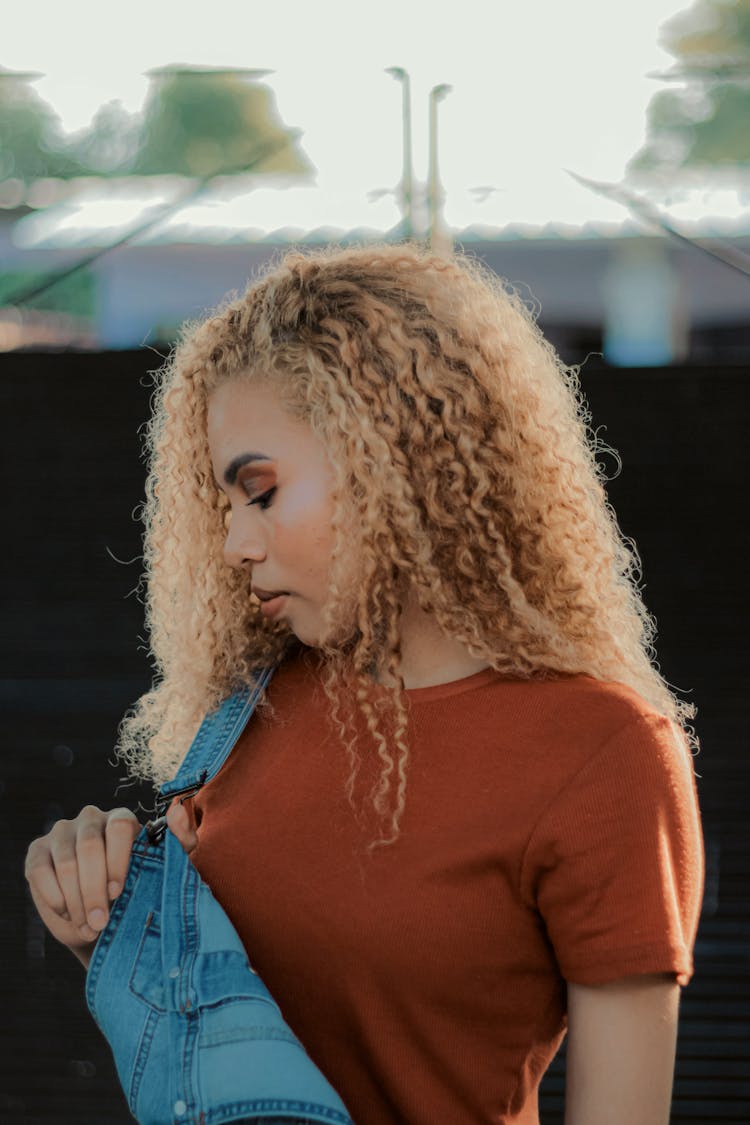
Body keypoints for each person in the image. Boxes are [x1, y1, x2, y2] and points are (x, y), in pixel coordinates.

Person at [25, 242, 704, 1125]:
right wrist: (105, 920)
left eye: (260, 492)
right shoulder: (240, 716)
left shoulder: (603, 752)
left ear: (396, 461)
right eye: (223, 505)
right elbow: (229, 1048)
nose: (234, 544)